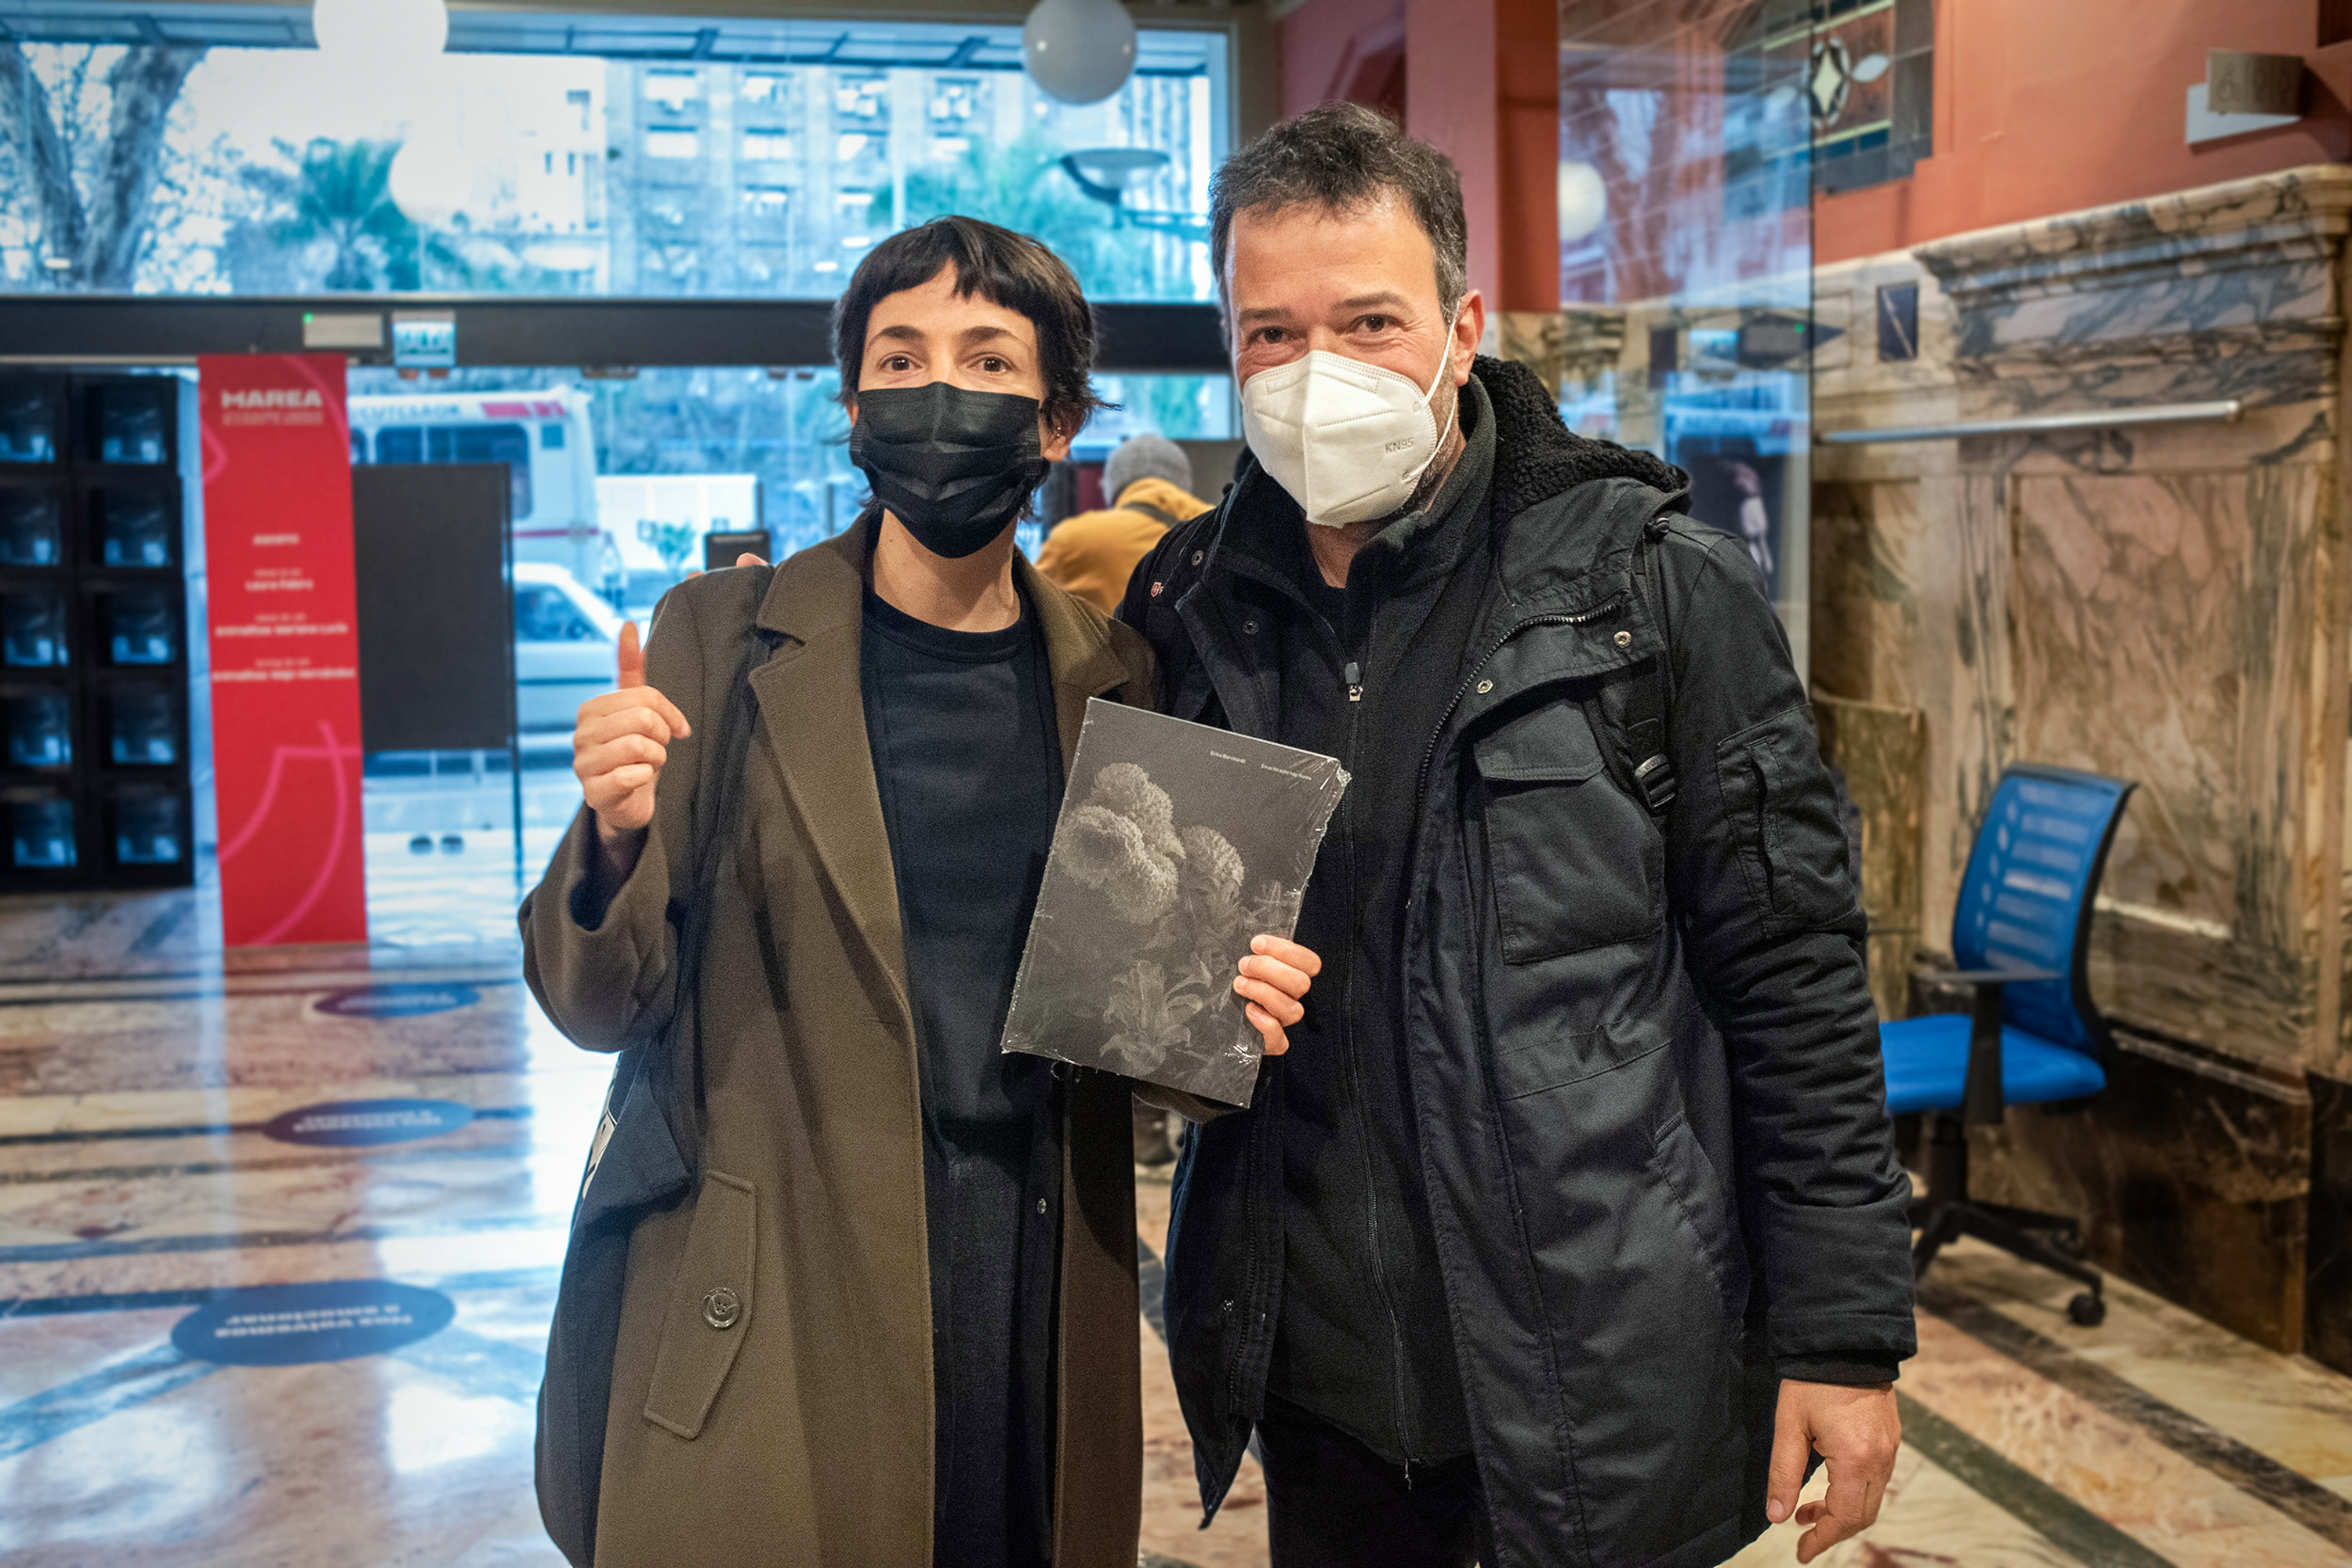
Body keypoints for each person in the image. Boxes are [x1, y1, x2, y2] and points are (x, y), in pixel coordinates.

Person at [1119, 105, 1915, 1568]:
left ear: (1463, 324)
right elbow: (1144, 972)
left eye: (1369, 321)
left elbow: (1794, 980)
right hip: (1318, 1383)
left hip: (1598, 1375)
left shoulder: (1655, 591)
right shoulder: (1187, 610)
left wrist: (1845, 1336)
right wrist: (1177, 987)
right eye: (1271, 334)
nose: (1317, 374)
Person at [522, 216, 1319, 1568]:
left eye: (989, 358)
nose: (939, 392)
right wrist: (612, 838)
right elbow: (602, 1003)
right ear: (852, 404)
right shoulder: (720, 642)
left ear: (1056, 422)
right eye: (901, 356)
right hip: (780, 1288)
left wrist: (1236, 1003)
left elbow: (1148, 1032)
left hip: (1032, 1283)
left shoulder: (1117, 676)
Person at [1034, 432, 1212, 615]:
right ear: (1183, 481)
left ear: (1113, 483)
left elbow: (1030, 608)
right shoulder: (1217, 528)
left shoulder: (1072, 538)